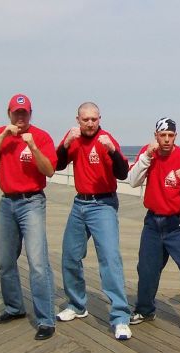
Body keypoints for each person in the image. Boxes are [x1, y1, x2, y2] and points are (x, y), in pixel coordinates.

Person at [128, 117, 180, 343]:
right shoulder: (149, 154)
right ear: (155, 135)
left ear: (176, 136)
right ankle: (145, 309)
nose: (166, 140)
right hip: (153, 223)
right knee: (146, 269)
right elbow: (132, 181)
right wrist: (147, 156)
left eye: (170, 135)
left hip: (179, 225)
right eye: (162, 135)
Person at [0, 93, 57, 340]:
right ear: (9, 113)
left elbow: (50, 170)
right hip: (7, 203)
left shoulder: (42, 136)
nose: (20, 117)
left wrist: (32, 146)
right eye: (16, 113)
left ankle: (46, 320)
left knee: (37, 263)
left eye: (24, 113)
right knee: (5, 261)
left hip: (32, 202)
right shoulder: (0, 134)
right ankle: (14, 308)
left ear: (30, 114)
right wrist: (4, 135)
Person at [55, 102, 132, 340]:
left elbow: (123, 173)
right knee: (70, 255)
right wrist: (66, 143)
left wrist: (112, 151)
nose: (90, 123)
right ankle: (77, 305)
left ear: (100, 119)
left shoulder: (106, 140)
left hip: (103, 204)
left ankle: (120, 317)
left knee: (109, 259)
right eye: (85, 119)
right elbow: (56, 165)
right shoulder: (75, 139)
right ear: (78, 120)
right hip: (80, 203)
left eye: (94, 119)